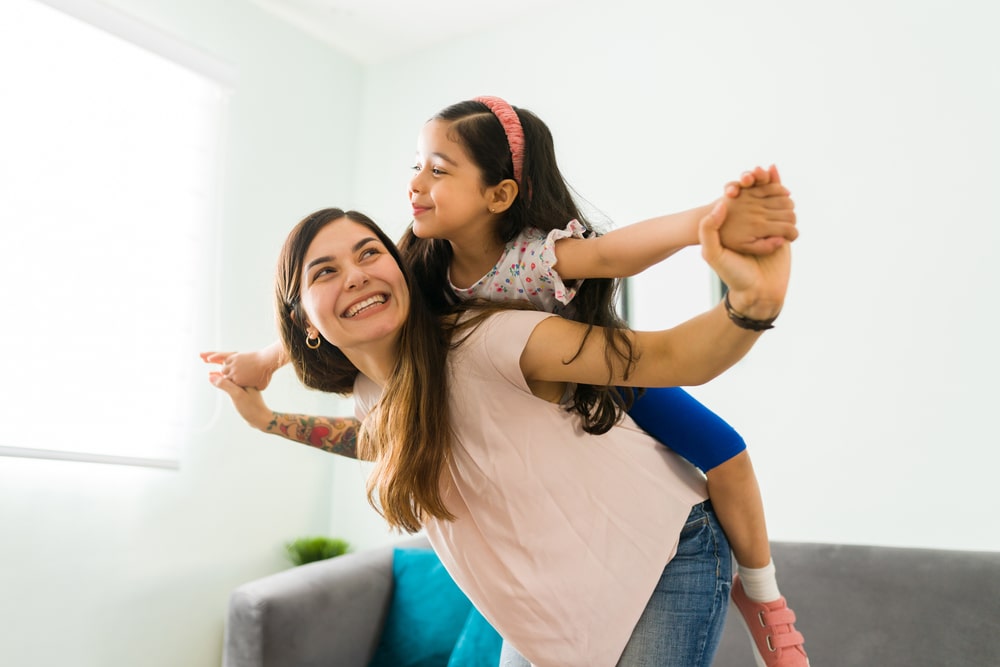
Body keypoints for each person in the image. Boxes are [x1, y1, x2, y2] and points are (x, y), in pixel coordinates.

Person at [203, 97, 807, 666]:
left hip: (640, 489)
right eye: (418, 167)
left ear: (499, 194)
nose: (416, 184)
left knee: (723, 450)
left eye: (438, 169)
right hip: (550, 607)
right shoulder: (407, 299)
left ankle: (763, 596)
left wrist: (717, 230)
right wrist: (264, 396)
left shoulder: (510, 295)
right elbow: (377, 433)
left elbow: (623, 273)